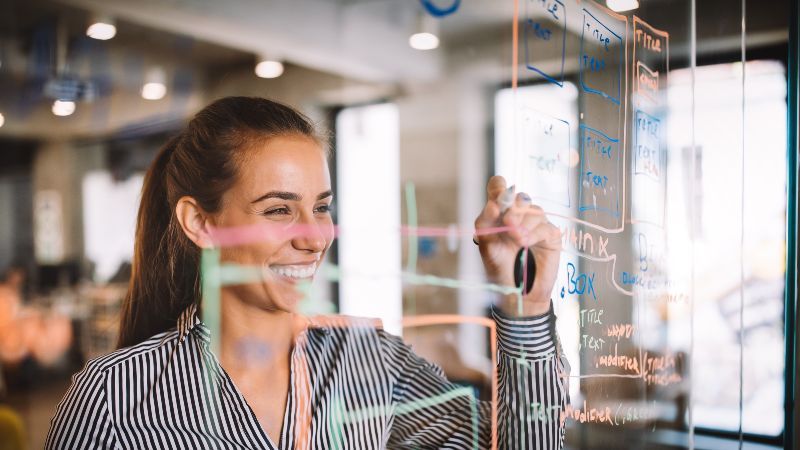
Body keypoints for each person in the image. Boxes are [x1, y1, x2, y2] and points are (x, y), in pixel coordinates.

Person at [46, 97, 568, 449]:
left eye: (321, 207)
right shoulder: (115, 398)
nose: (315, 235)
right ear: (200, 222)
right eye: (278, 210)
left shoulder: (367, 361)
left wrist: (526, 307)